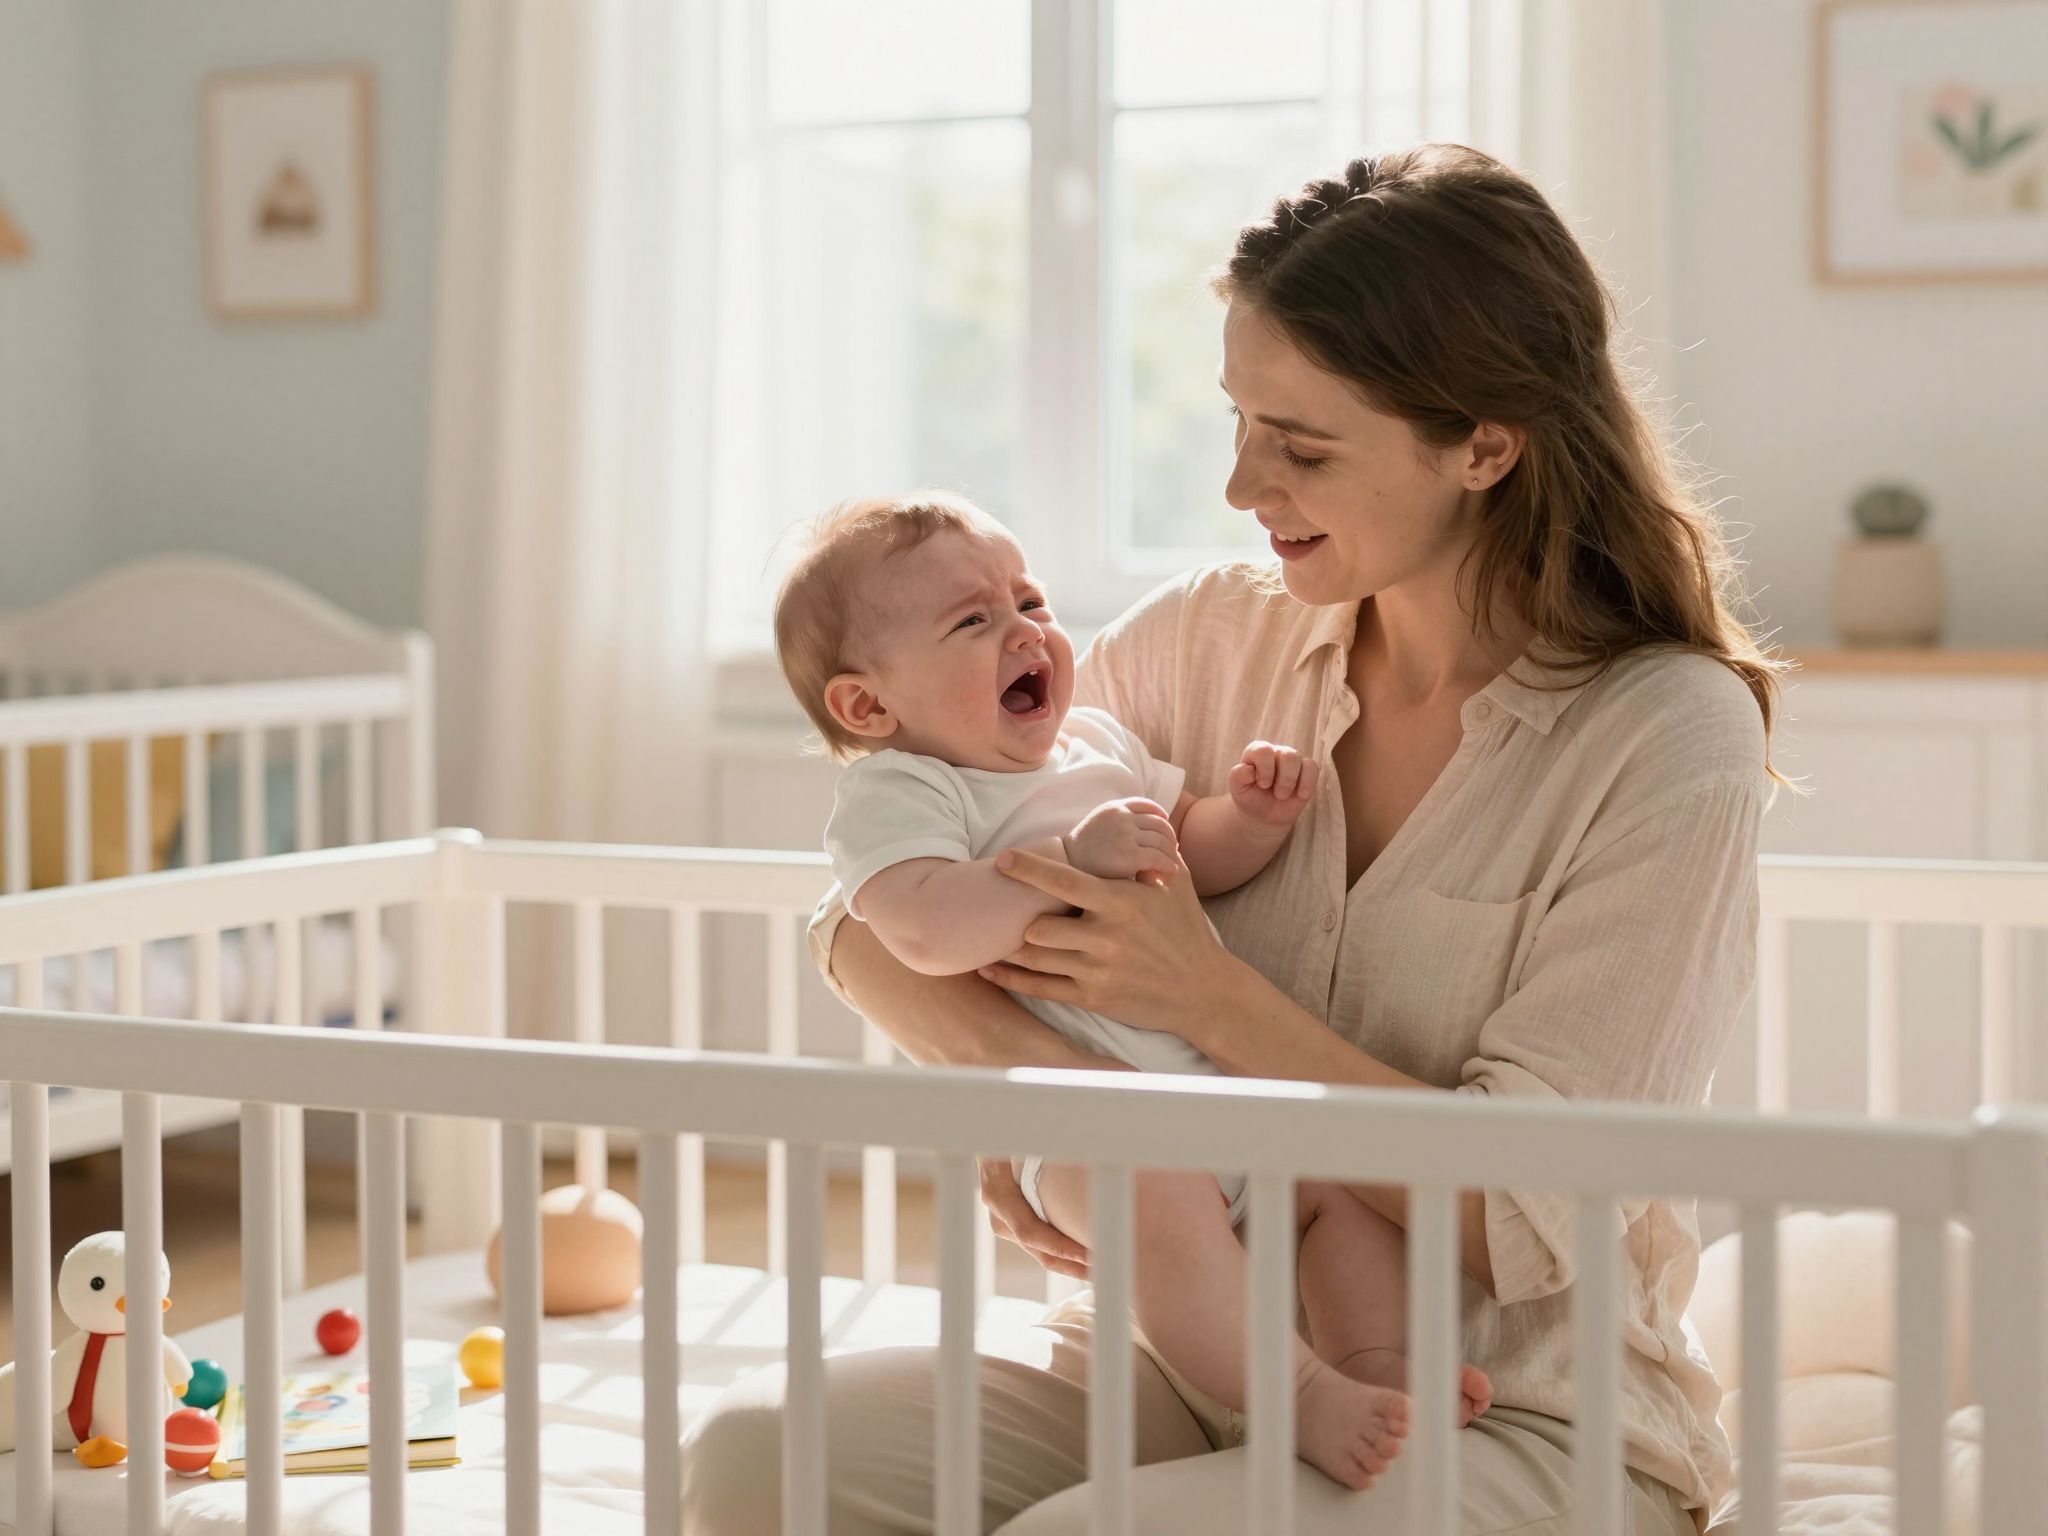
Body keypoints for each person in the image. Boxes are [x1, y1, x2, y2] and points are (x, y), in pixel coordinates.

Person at [683, 142, 1782, 1535]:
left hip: (1515, 1408)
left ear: (1484, 446)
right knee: (757, 1454)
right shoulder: (1213, 636)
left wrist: (1202, 999)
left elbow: (1528, 1202)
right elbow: (864, 924)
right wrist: (1063, 1108)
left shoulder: (1664, 737)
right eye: (1239, 421)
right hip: (1171, 1346)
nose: (1241, 484)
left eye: (1302, 445)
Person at [770, 490, 1492, 1493]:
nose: (1024, 632)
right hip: (1083, 1133)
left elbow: (1185, 848)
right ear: (868, 705)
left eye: (1029, 601)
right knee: (1154, 1198)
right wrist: (1070, 859)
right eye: (972, 621)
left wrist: (1247, 821)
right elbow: (918, 927)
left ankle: (1373, 1371)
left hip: (1214, 1087)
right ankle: (1296, 1398)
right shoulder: (905, 793)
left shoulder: (1095, 746)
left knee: (1343, 1195)